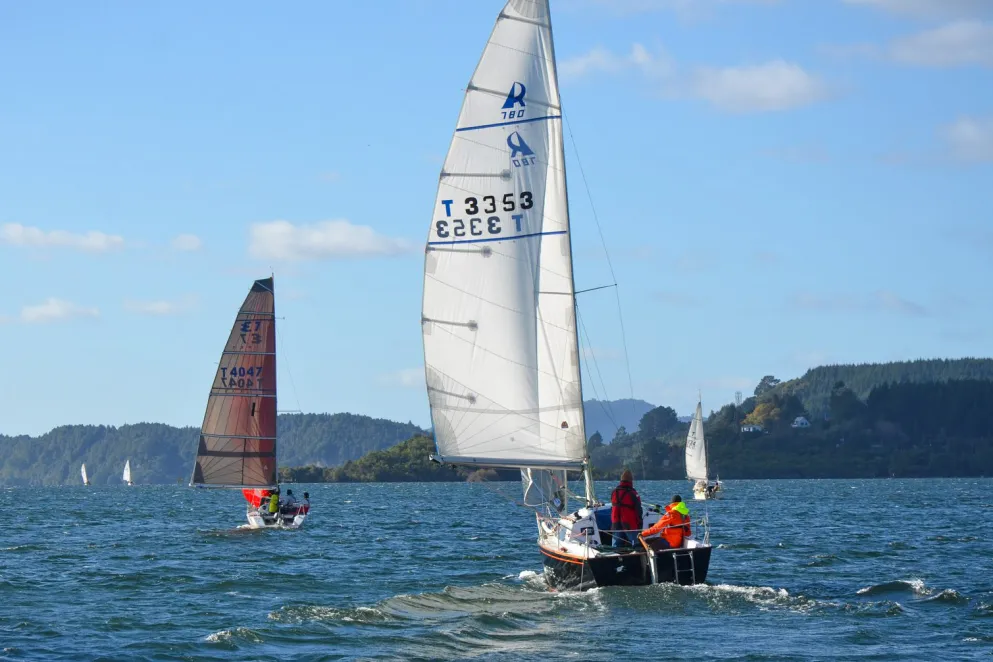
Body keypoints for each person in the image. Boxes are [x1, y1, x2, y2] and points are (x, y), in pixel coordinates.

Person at [610, 469, 643, 547]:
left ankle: (616, 554)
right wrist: (640, 524)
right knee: (635, 544)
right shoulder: (633, 493)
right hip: (629, 523)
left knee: (616, 545)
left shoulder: (614, 492)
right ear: (631, 480)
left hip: (616, 523)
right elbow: (638, 510)